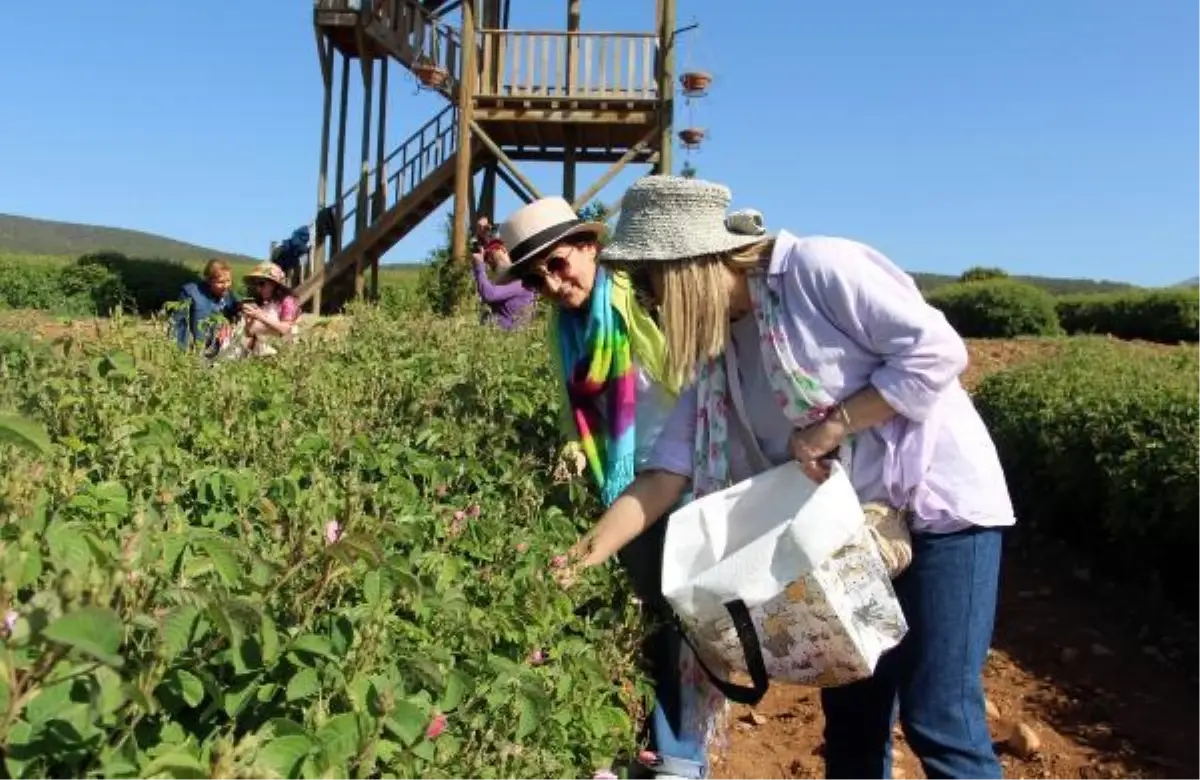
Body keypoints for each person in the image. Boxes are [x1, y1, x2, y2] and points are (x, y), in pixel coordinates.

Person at [557, 175, 1017, 780]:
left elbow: (937, 352)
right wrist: (576, 561)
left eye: (648, 282)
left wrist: (834, 426)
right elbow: (666, 474)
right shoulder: (717, 351)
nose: (647, 301)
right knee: (854, 721)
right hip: (852, 537)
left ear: (684, 267)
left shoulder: (816, 271)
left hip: (940, 513)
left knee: (941, 717)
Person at [496, 196, 714, 780]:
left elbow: (696, 369)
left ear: (590, 247)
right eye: (535, 277)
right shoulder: (564, 329)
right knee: (655, 621)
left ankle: (681, 759)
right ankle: (665, 749)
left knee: (687, 626)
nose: (551, 283)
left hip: (689, 478)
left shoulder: (638, 296)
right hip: (625, 487)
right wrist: (572, 451)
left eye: (559, 263)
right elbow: (578, 409)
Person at [471, 216, 536, 330]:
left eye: (491, 253)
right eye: (487, 257)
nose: (489, 259)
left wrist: (480, 267)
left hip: (511, 341)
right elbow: (478, 254)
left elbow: (489, 294)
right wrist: (480, 235)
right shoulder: (505, 280)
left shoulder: (522, 283)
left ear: (505, 250)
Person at [172, 258, 240, 355]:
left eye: (228, 281)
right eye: (220, 282)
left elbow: (239, 310)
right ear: (208, 280)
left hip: (218, 351)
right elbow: (178, 324)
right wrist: (180, 351)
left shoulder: (229, 295)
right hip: (194, 350)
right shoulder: (190, 292)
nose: (226, 286)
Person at [235, 262, 301, 357]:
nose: (258, 289)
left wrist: (260, 316)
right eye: (256, 285)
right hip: (260, 352)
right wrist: (249, 320)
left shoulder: (288, 301)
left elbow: (284, 329)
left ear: (274, 284)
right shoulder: (264, 302)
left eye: (262, 284)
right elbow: (249, 333)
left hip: (281, 352)